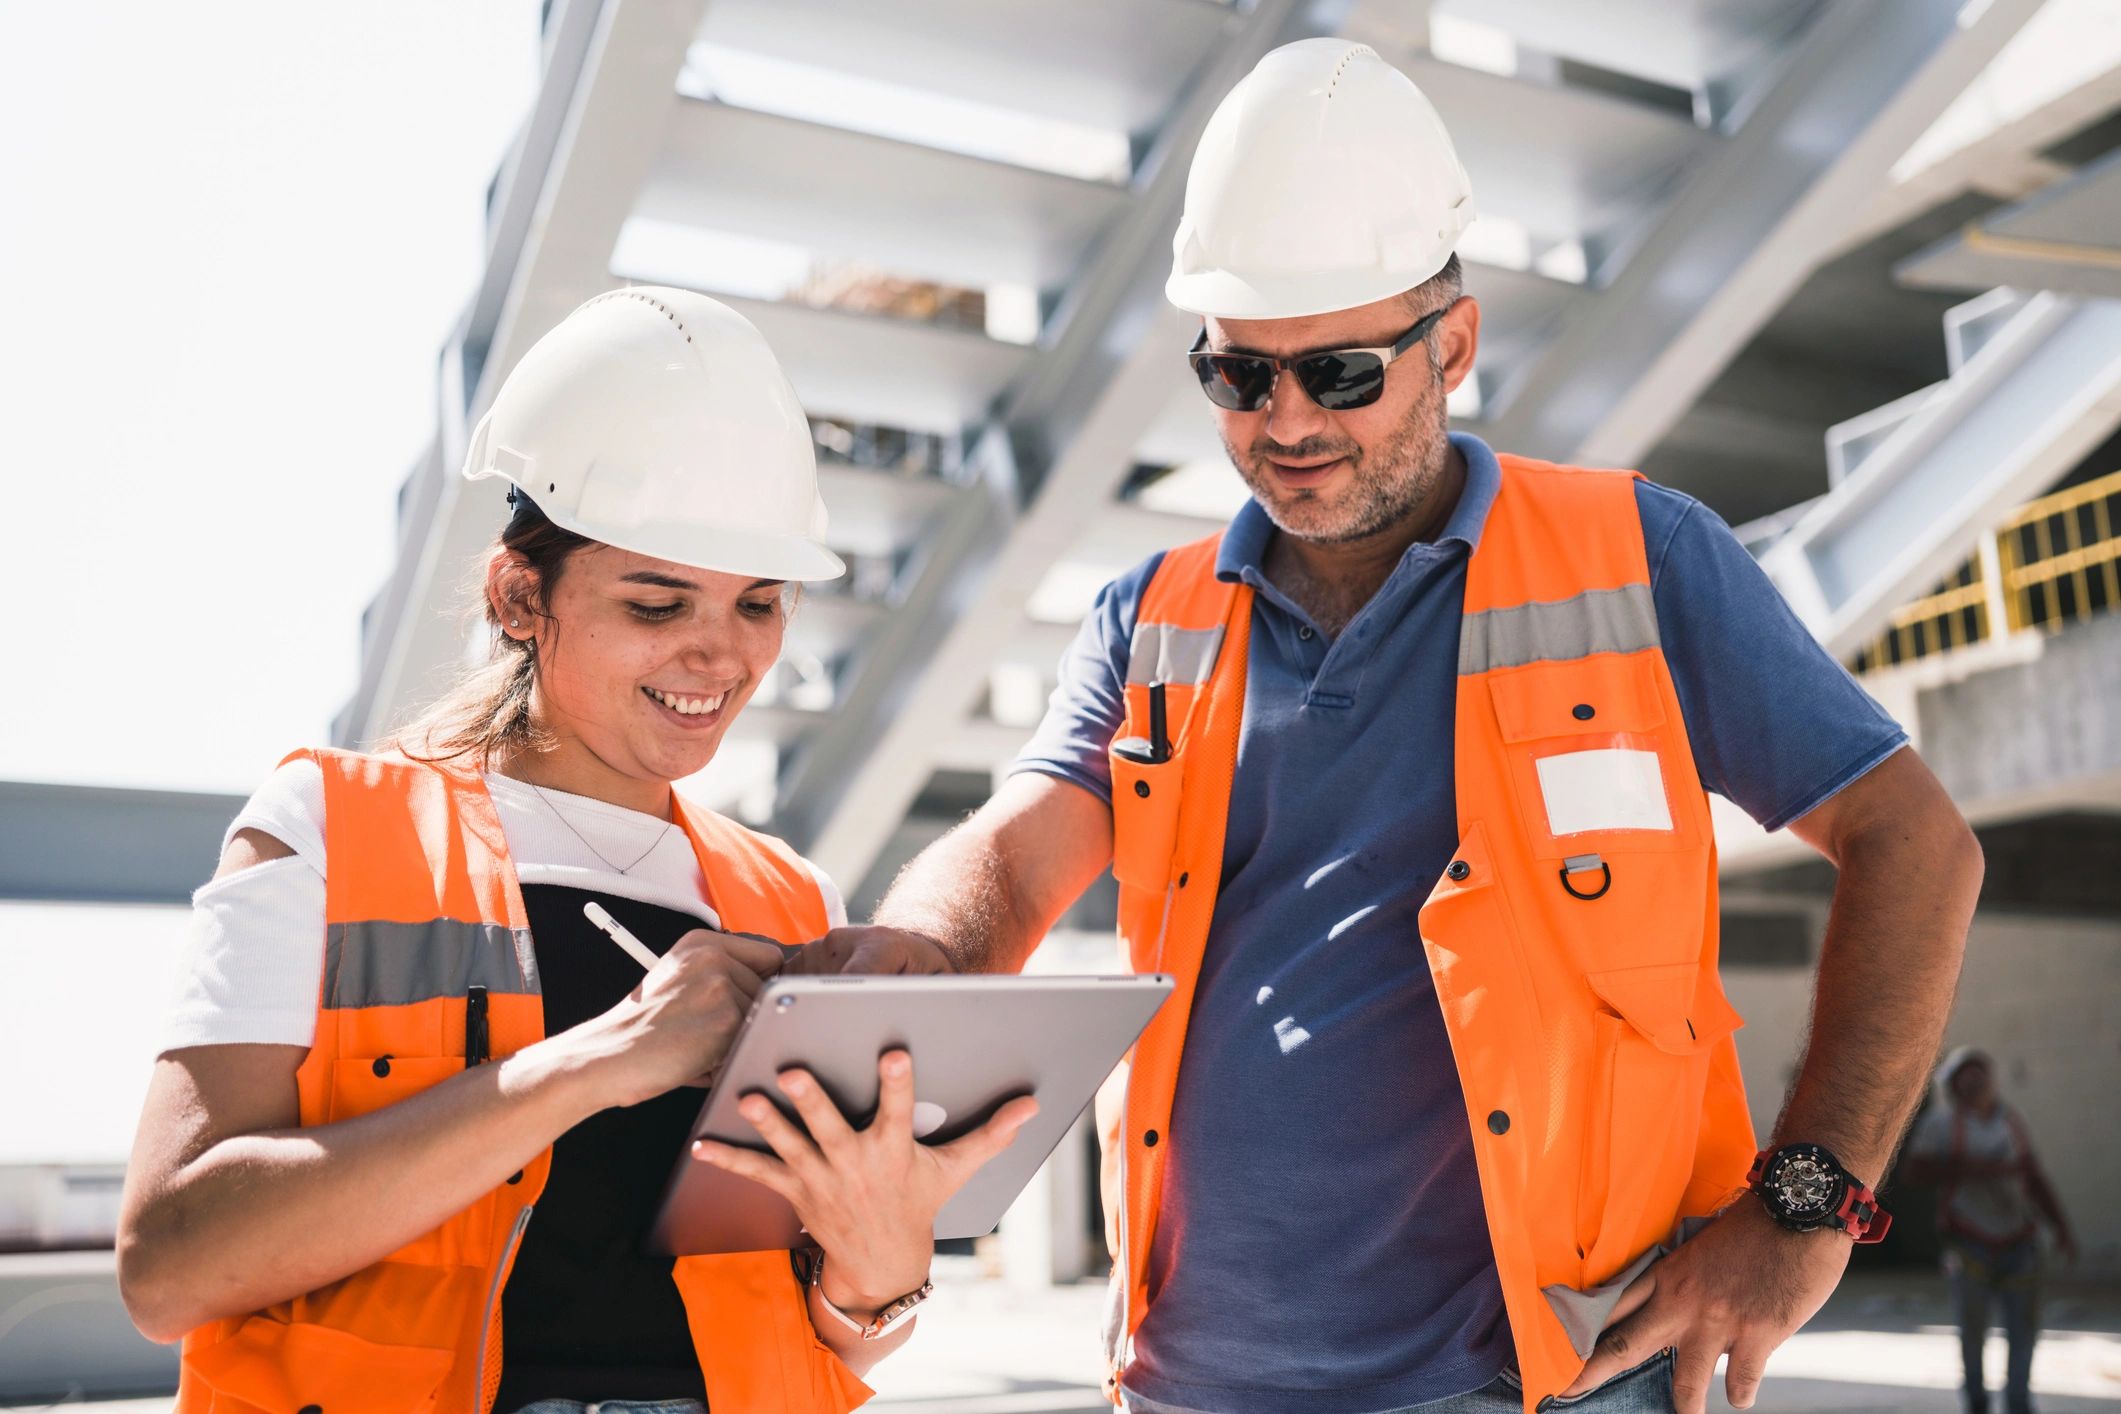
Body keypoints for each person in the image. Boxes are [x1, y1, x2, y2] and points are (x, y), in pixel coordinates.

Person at [785, 40, 1983, 1414]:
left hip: (1550, 1374)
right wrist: (918, 956)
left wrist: (1803, 1207)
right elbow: (1019, 837)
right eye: (1239, 376)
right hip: (1193, 1382)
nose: (1285, 422)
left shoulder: (1639, 560)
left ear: (1452, 346)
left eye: (1340, 372)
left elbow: (1916, 841)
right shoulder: (1151, 618)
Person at [117, 287, 1036, 1414]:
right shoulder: (326, 828)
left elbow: (840, 1328)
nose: (720, 654)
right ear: (519, 595)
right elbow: (168, 1266)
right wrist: (595, 1062)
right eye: (657, 603)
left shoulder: (791, 897)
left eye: (759, 603)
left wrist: (884, 1254)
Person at [1901, 1047, 2077, 1414]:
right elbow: (1914, 1173)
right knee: (1973, 1330)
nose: (1976, 1083)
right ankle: (1977, 1402)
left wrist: (2060, 1227)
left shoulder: (2010, 1120)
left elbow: (2034, 1175)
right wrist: (1968, 1169)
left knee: (2023, 1329)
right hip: (1969, 1240)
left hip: (2018, 1236)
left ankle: (2018, 1401)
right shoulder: (1941, 1124)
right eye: (1966, 1077)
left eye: (1981, 1075)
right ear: (1954, 1085)